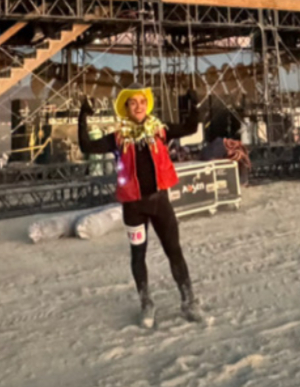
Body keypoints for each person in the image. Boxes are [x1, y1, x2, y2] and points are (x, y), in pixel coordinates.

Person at [77, 85, 205, 331]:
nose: (138, 106)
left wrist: (193, 106)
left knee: (174, 251)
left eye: (142, 102)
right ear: (126, 108)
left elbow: (189, 128)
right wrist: (83, 116)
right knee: (138, 255)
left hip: (160, 203)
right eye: (133, 103)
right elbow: (86, 146)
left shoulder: (159, 130)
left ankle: (189, 301)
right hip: (133, 206)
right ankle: (146, 303)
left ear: (147, 105)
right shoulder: (117, 138)